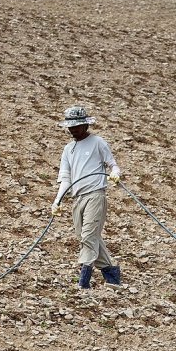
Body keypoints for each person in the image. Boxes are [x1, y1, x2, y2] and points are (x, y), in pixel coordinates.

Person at [51, 105, 122, 290]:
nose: (73, 130)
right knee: (87, 237)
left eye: (77, 126)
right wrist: (57, 201)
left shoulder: (98, 142)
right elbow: (66, 178)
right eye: (70, 126)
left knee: (89, 236)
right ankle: (112, 274)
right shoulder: (68, 149)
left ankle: (84, 282)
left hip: (95, 194)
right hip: (78, 197)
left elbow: (113, 165)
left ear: (85, 125)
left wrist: (115, 174)